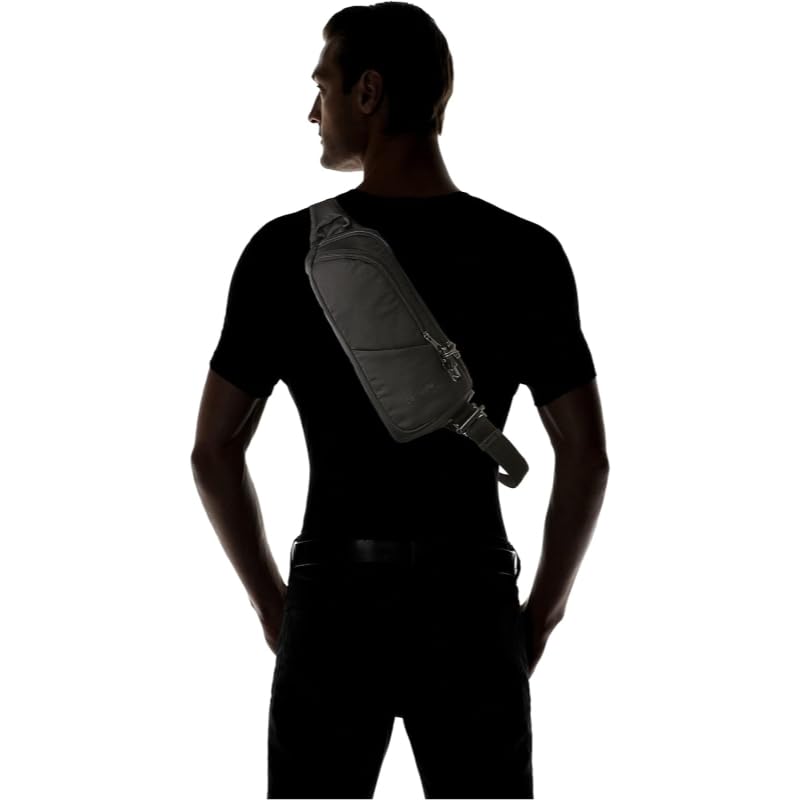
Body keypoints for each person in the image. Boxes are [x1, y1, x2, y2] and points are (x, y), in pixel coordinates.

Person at [190, 3, 610, 798]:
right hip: (472, 599)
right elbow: (586, 456)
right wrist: (538, 616)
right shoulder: (525, 253)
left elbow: (213, 452)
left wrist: (276, 609)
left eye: (323, 87)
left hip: (333, 602)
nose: (312, 112)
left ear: (369, 92)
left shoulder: (285, 253)